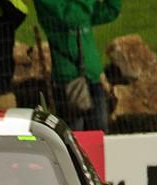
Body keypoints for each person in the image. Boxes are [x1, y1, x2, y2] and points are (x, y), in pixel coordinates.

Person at [34, 0, 121, 132]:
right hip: (69, 81)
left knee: (99, 134)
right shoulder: (52, 5)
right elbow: (72, 18)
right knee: (75, 135)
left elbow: (110, 11)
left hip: (92, 77)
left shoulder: (81, 7)